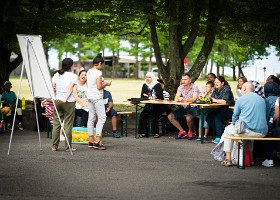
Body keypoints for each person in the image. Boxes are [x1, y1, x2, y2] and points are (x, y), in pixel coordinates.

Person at [221, 82, 268, 167]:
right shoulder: (262, 99)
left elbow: (235, 116)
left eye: (241, 88)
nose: (241, 90)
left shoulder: (241, 99)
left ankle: (228, 159)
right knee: (250, 131)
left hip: (248, 131)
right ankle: (251, 158)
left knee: (228, 130)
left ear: (245, 88)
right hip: (262, 132)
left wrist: (234, 124)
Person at [51, 58, 78, 152]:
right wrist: (65, 99)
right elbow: (70, 89)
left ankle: (54, 146)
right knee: (68, 124)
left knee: (56, 124)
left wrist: (55, 97)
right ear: (71, 66)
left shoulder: (56, 74)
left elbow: (52, 86)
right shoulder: (73, 76)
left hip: (57, 101)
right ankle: (68, 147)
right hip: (69, 102)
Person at [87, 53, 111, 150]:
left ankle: (91, 140)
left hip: (89, 97)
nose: (102, 67)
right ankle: (97, 141)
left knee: (91, 118)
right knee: (102, 118)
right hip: (97, 97)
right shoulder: (98, 73)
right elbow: (99, 86)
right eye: (102, 65)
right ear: (100, 63)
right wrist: (106, 84)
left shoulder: (89, 71)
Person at [167, 73, 199, 140]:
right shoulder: (180, 87)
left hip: (193, 107)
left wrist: (184, 99)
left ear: (190, 80)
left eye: (185, 79)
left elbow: (194, 98)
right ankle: (182, 131)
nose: (183, 81)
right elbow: (176, 97)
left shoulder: (194, 87)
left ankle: (190, 131)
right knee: (170, 116)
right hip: (184, 106)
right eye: (182, 79)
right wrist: (178, 99)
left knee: (188, 117)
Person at [206, 76, 235, 144]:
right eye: (215, 82)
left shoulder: (226, 89)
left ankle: (220, 137)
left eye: (217, 82)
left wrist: (214, 100)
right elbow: (212, 99)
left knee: (217, 118)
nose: (216, 83)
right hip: (219, 108)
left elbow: (224, 101)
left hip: (229, 109)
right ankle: (221, 133)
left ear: (222, 83)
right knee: (208, 117)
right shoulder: (216, 89)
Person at [138, 72, 164, 138]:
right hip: (148, 105)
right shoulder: (145, 85)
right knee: (142, 114)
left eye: (149, 77)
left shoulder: (157, 85)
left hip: (158, 106)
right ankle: (143, 132)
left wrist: (148, 96)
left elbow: (160, 96)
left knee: (153, 114)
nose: (148, 79)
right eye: (146, 77)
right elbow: (142, 96)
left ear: (152, 78)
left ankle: (155, 132)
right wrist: (151, 97)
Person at [262, 81, 280, 167]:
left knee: (269, 134)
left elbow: (268, 117)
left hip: (274, 127)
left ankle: (269, 159)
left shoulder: (267, 101)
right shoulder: (278, 99)